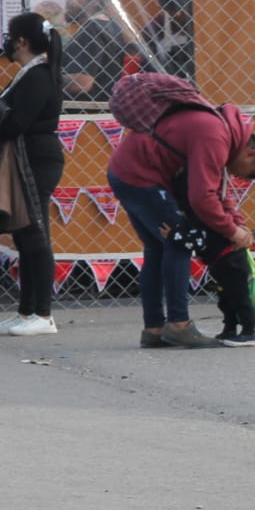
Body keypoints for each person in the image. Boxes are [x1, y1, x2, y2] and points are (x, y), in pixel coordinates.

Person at [108, 90, 255, 349]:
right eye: (250, 174)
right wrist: (233, 231)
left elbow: (218, 186)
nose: (244, 178)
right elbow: (202, 197)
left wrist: (236, 219)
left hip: (125, 171)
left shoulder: (222, 129)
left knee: (156, 249)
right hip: (143, 177)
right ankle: (178, 324)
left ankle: (154, 327)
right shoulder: (215, 135)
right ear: (251, 155)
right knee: (177, 245)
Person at [0, 13, 68, 336]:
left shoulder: (38, 77)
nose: (6, 42)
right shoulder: (30, 73)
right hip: (24, 159)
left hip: (37, 161)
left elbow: (17, 122)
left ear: (21, 41)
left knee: (35, 234)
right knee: (24, 234)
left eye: (10, 36)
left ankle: (43, 314)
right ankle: (26, 310)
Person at [62, 0, 130, 103]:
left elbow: (81, 83)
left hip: (84, 111)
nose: (68, 0)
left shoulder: (91, 29)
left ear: (96, 0)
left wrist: (46, 79)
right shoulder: (110, 25)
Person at [141, 0, 195, 81]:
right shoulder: (154, 29)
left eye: (182, 9)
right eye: (173, 9)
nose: (178, 13)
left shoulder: (203, 27)